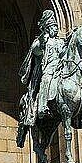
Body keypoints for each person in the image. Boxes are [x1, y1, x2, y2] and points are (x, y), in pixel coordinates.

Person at [17, 10, 67, 138]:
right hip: (48, 70)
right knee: (45, 80)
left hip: (60, 69)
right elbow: (35, 50)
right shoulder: (43, 41)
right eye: (53, 27)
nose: (55, 29)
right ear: (48, 28)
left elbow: (65, 52)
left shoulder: (59, 42)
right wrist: (42, 42)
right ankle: (42, 106)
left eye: (56, 27)